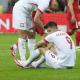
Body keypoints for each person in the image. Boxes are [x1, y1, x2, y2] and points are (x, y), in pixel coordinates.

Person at [10, 0, 58, 67]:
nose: (56, 4)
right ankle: (23, 62)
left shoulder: (46, 3)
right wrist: (46, 31)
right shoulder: (46, 2)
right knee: (23, 34)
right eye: (55, 4)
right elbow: (36, 19)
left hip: (28, 11)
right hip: (20, 9)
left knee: (32, 34)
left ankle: (32, 61)